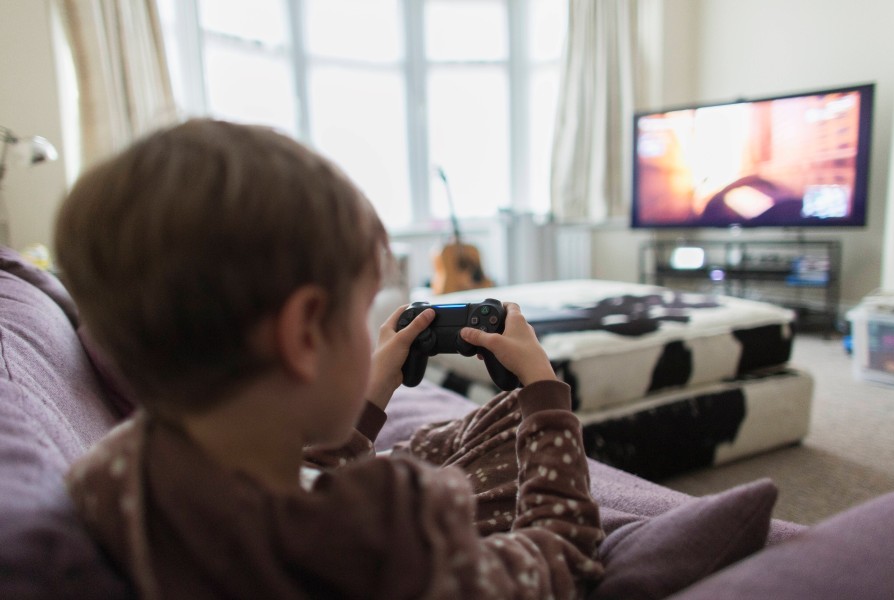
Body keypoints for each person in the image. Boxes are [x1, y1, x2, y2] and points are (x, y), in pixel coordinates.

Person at [56, 119, 605, 599]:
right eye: (364, 312)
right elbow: (561, 556)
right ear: (304, 333)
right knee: (509, 424)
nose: (371, 335)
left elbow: (292, 475)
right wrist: (545, 395)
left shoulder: (115, 477)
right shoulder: (389, 531)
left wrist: (366, 398)